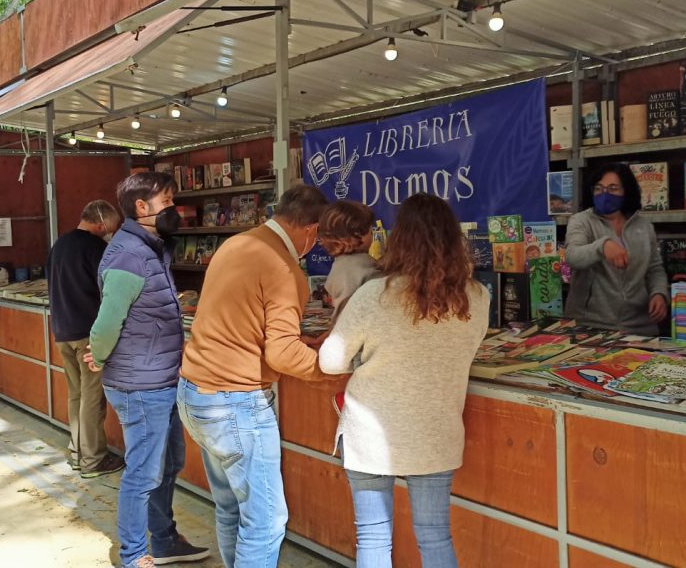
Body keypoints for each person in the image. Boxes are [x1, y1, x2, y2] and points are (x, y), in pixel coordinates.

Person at [317, 194, 490, 567]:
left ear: (399, 239)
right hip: (436, 431)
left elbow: (331, 362)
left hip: (369, 433)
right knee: (435, 535)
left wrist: (367, 356)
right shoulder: (478, 297)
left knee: (373, 537)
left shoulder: (373, 295)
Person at [178, 183, 339, 568]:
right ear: (311, 229)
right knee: (266, 523)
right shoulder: (284, 268)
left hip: (195, 393)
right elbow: (281, 354)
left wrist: (299, 341)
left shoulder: (236, 244)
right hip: (236, 405)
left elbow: (242, 318)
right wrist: (332, 372)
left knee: (231, 509)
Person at [88, 172, 209, 568]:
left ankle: (164, 540)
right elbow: (107, 322)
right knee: (143, 472)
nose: (174, 209)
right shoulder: (129, 255)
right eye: (167, 201)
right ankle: (134, 553)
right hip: (140, 385)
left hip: (161, 378)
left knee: (167, 464)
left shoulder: (151, 247)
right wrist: (100, 354)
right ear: (142, 207)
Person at [49, 199, 126, 478]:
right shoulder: (96, 248)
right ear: (101, 222)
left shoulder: (59, 245)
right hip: (88, 334)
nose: (112, 232)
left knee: (76, 394)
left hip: (62, 331)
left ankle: (77, 453)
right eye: (112, 226)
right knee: (93, 397)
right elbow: (110, 290)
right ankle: (93, 460)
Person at [564, 163, 669, 336]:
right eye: (599, 188)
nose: (604, 194)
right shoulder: (581, 221)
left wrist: (659, 293)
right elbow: (572, 256)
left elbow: (655, 268)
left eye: (613, 188)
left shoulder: (644, 226)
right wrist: (602, 246)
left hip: (640, 326)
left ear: (626, 191)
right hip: (590, 327)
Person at [318, 200, 380, 317]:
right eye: (370, 231)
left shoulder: (340, 264)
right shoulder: (358, 268)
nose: (372, 236)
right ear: (356, 235)